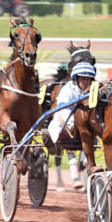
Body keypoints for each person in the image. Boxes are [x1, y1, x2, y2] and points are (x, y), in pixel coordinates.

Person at [45, 62, 95, 190]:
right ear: (76, 78)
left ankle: (85, 163)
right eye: (83, 78)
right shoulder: (68, 89)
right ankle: (50, 141)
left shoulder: (93, 90)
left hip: (85, 125)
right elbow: (63, 110)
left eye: (88, 79)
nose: (85, 81)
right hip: (65, 123)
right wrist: (73, 124)